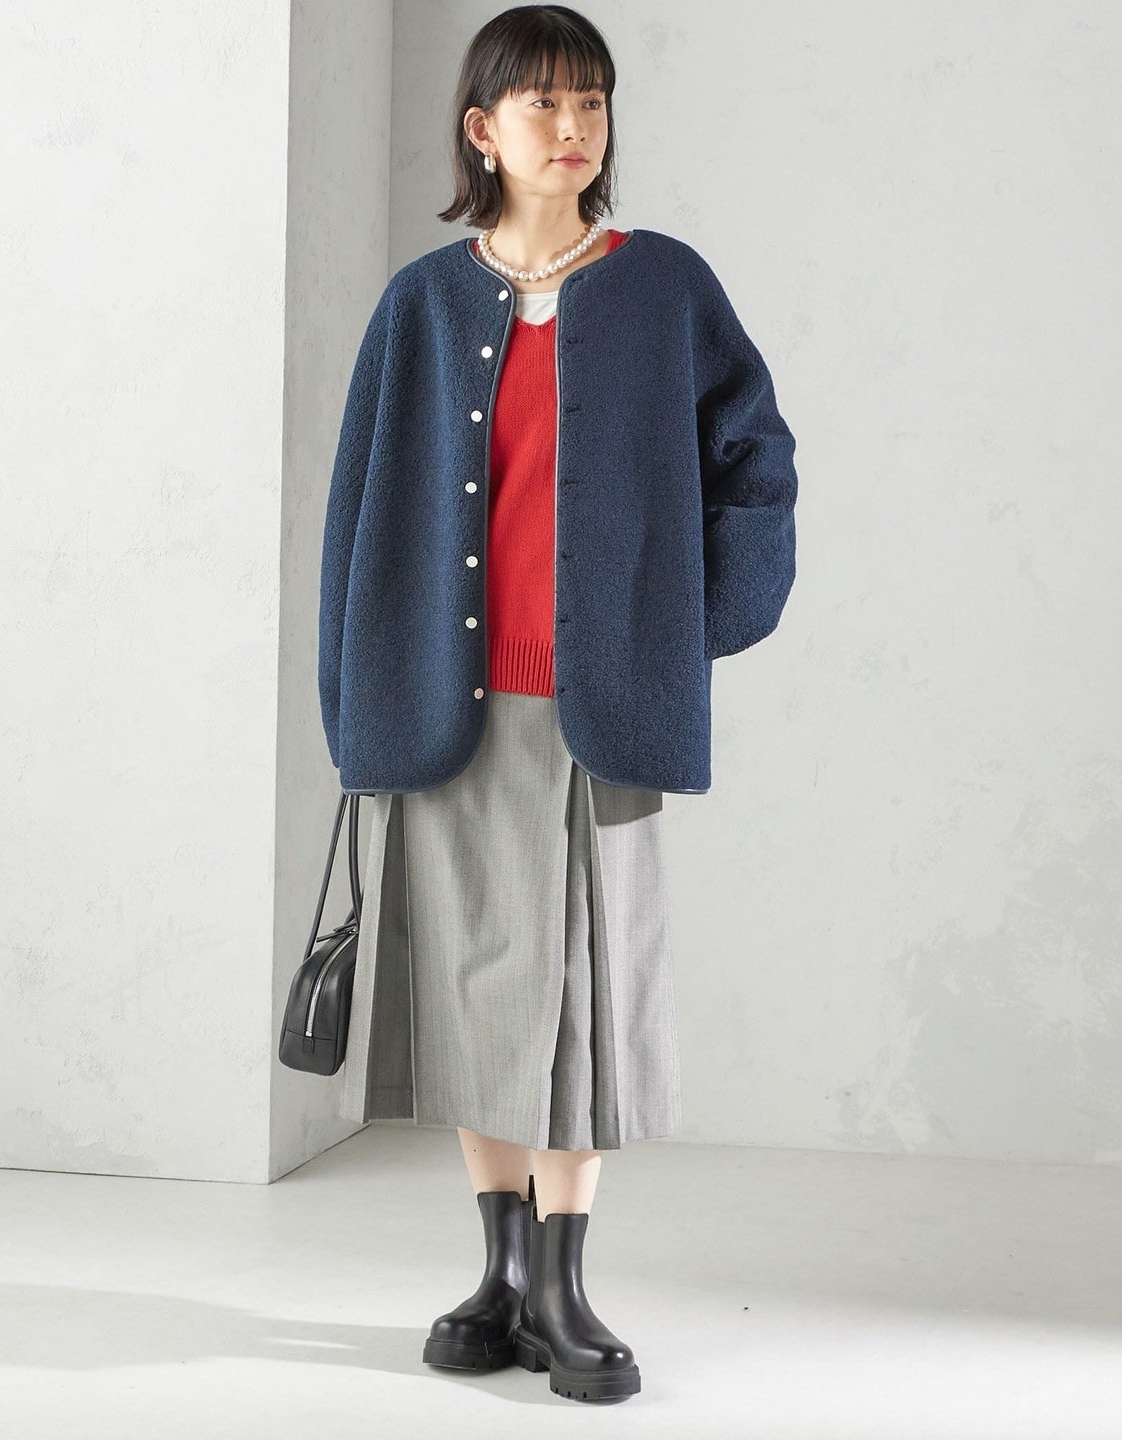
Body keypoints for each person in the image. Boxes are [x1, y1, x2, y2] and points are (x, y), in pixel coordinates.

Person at [317, 4, 798, 1405]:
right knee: (475, 993)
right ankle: (500, 1274)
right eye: (544, 104)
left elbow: (757, 459)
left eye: (592, 101)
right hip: (447, 705)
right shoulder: (421, 305)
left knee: (585, 1001)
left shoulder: (664, 287)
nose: (575, 127)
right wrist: (353, 693)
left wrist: (694, 627)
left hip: (602, 707)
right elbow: (355, 513)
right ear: (484, 130)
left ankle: (566, 1288)